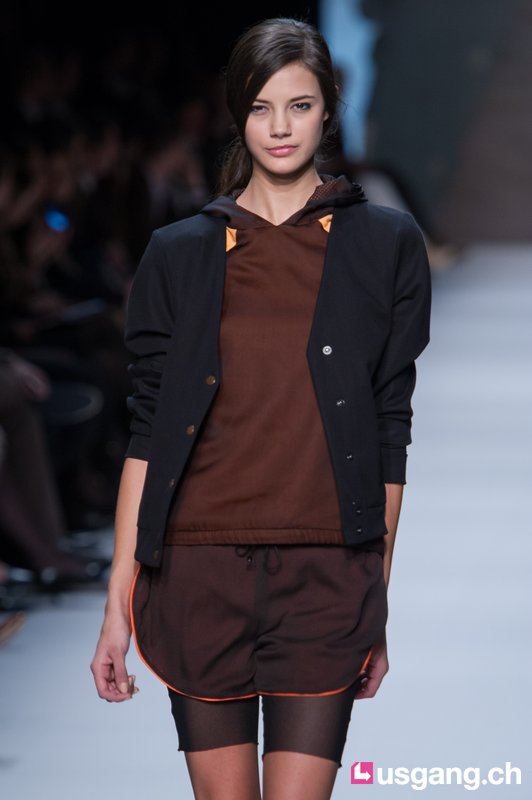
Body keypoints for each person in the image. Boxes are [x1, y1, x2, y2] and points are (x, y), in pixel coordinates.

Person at [90, 16, 431, 800]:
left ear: (328, 109)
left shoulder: (385, 244)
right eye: (261, 107)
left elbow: (390, 428)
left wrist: (375, 599)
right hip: (197, 569)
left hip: (326, 572)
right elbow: (149, 434)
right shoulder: (179, 253)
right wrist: (116, 606)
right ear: (236, 113)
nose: (280, 127)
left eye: (299, 105)